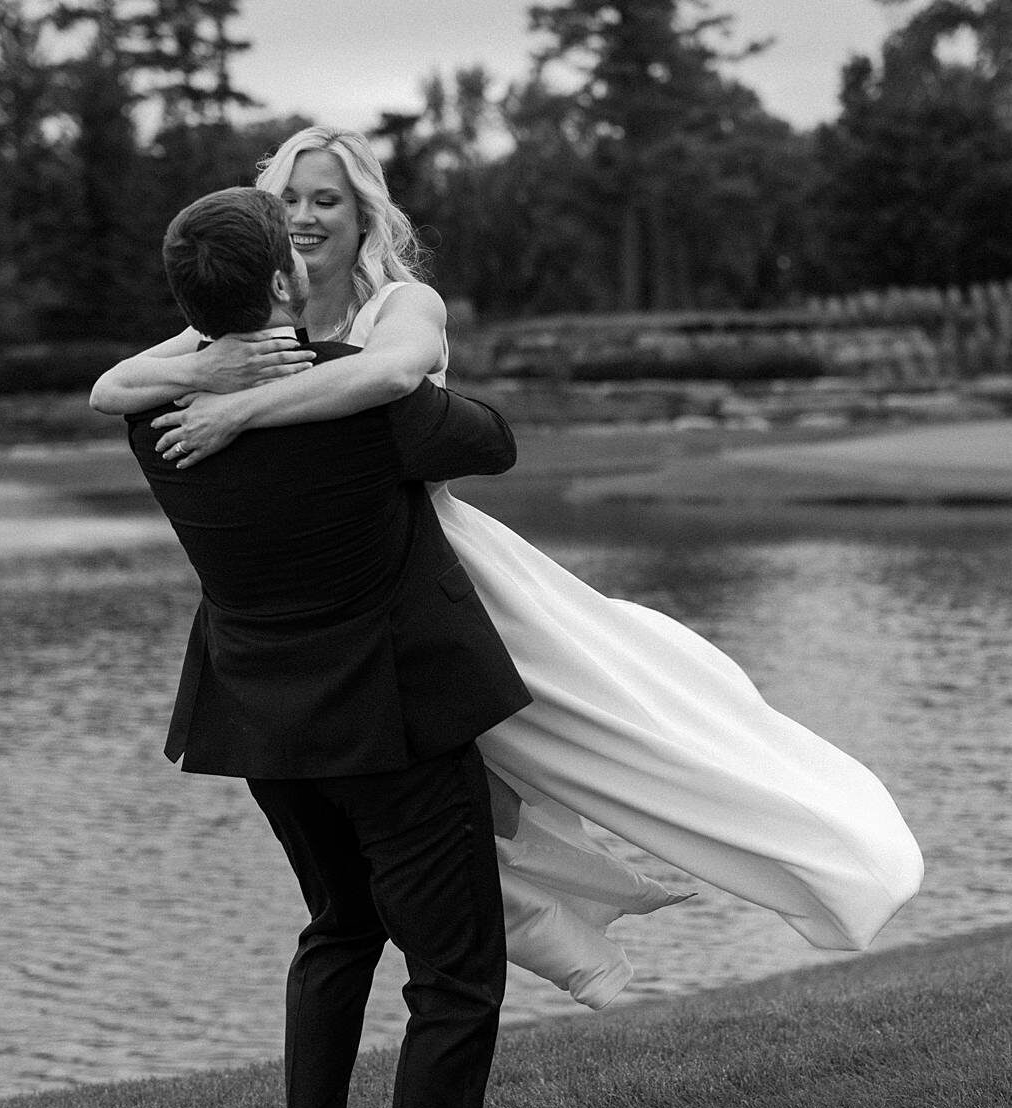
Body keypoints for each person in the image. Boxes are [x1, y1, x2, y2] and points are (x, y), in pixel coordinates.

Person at [93, 127, 925, 1006]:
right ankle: (575, 931)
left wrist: (237, 410)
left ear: (364, 213)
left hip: (446, 573)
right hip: (319, 606)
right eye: (290, 198)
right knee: (444, 804)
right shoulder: (222, 328)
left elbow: (389, 379)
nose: (305, 216)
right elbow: (112, 390)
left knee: (626, 727)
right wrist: (213, 362)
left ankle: (820, 855)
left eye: (327, 199)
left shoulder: (402, 305)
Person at [113, 184, 535, 1108]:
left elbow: (139, 372)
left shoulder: (152, 418)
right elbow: (491, 442)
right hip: (390, 723)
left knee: (340, 925)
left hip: (262, 724)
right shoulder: (358, 398)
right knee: (453, 976)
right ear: (283, 278)